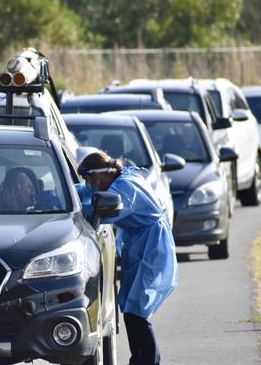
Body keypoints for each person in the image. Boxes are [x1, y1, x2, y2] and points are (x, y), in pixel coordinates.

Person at [77, 150, 177, 365]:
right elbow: (86, 193)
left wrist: (74, 208)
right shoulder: (119, 179)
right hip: (140, 246)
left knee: (137, 311)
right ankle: (138, 359)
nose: (89, 184)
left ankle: (149, 360)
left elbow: (99, 211)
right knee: (130, 308)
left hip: (152, 247)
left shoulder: (125, 188)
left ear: (99, 174)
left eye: (89, 179)